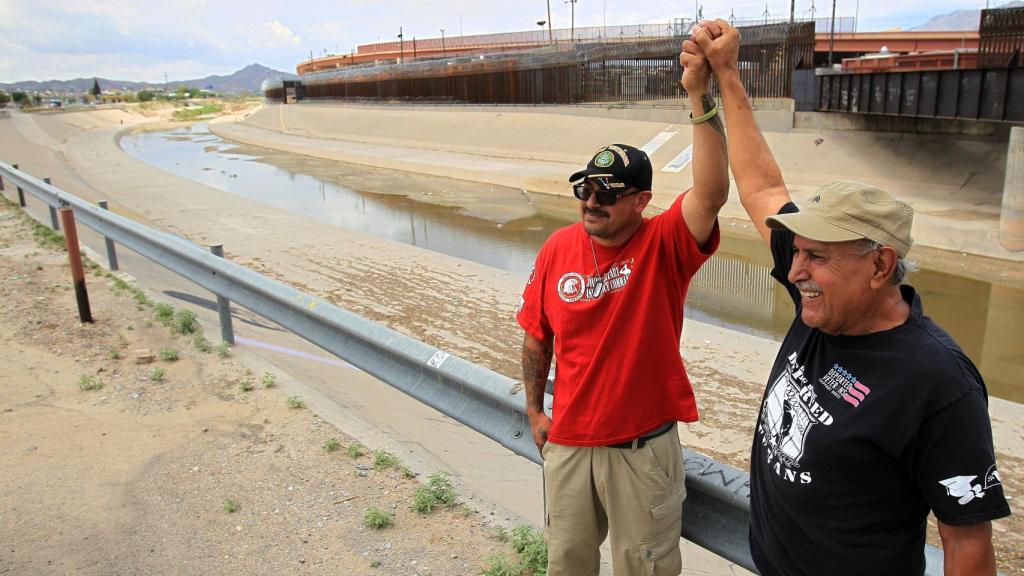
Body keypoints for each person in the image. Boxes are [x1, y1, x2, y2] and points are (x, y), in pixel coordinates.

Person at [688, 19, 1011, 576]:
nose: (795, 268)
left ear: (880, 265)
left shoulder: (938, 384)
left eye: (816, 256)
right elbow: (763, 188)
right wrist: (725, 75)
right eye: (798, 251)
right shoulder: (822, 304)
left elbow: (967, 544)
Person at [515, 37, 730, 576]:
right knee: (566, 564)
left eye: (607, 193)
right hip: (567, 443)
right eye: (585, 189)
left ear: (640, 201)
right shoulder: (557, 248)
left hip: (641, 452)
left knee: (645, 569)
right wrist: (535, 409)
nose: (592, 201)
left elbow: (710, 192)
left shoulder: (664, 246)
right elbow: (536, 336)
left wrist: (699, 94)